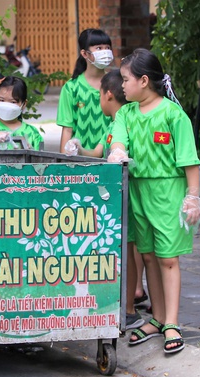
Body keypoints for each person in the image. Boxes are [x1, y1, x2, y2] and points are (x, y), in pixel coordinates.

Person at [108, 49, 200, 354]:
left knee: (168, 258)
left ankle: (172, 321)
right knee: (147, 256)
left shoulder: (174, 115)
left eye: (125, 79)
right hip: (138, 191)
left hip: (168, 193)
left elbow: (189, 160)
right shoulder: (126, 113)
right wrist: (118, 152)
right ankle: (158, 317)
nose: (121, 85)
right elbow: (119, 141)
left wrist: (192, 196)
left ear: (144, 80)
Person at [63, 69, 148, 328]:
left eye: (99, 95)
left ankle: (130, 307)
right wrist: (78, 148)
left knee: (130, 248)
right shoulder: (111, 126)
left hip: (130, 198)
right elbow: (97, 152)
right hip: (113, 201)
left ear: (108, 95)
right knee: (121, 248)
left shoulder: (129, 123)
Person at [57, 28, 114, 154]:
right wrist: (63, 162)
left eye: (108, 47)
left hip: (110, 159)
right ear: (84, 53)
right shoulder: (71, 88)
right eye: (99, 48)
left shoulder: (116, 84)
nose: (105, 52)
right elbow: (67, 129)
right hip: (79, 160)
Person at [0, 76, 44, 150]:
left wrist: (29, 151)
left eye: (13, 102)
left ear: (24, 104)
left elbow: (39, 159)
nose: (6, 105)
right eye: (1, 100)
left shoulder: (32, 132)